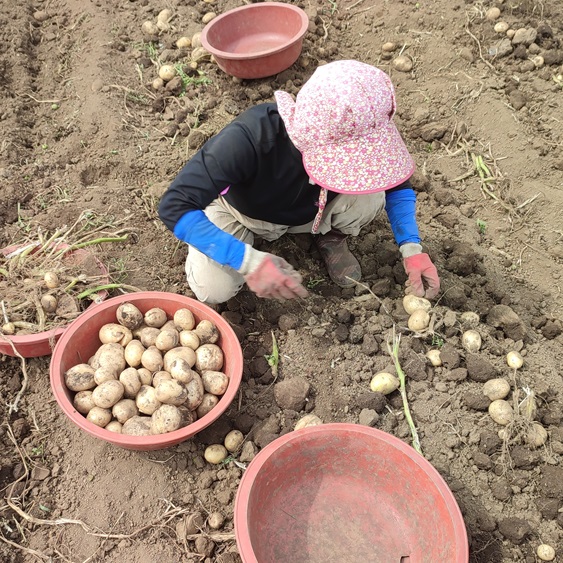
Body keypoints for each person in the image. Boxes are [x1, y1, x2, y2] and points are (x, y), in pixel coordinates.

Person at [158, 59, 440, 304]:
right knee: (214, 289)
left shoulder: (363, 123)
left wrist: (411, 248)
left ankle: (331, 236)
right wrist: (247, 260)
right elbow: (174, 205)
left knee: (372, 194)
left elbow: (395, 184)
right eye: (349, 160)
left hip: (317, 211)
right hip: (241, 213)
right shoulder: (249, 139)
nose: (358, 165)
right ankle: (239, 245)